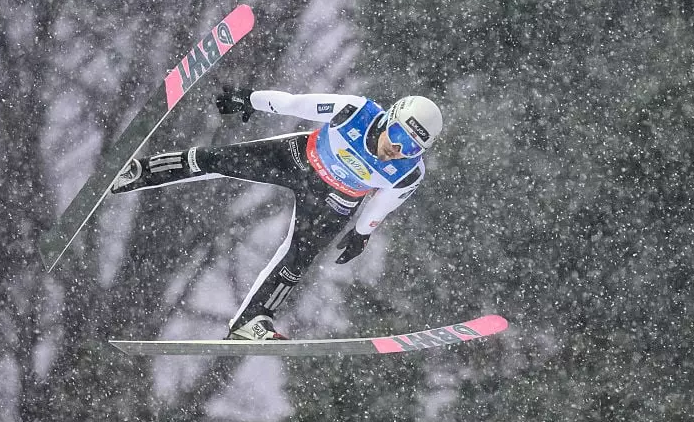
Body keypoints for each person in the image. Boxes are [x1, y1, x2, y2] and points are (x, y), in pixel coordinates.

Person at [110, 86, 444, 341]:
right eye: (399, 136)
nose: (398, 150)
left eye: (412, 147)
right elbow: (295, 103)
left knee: (298, 260)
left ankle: (251, 322)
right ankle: (140, 172)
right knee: (215, 160)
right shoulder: (354, 112)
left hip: (334, 199)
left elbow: (384, 203)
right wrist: (250, 99)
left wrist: (362, 232)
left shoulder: (409, 172)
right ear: (390, 119)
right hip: (299, 158)